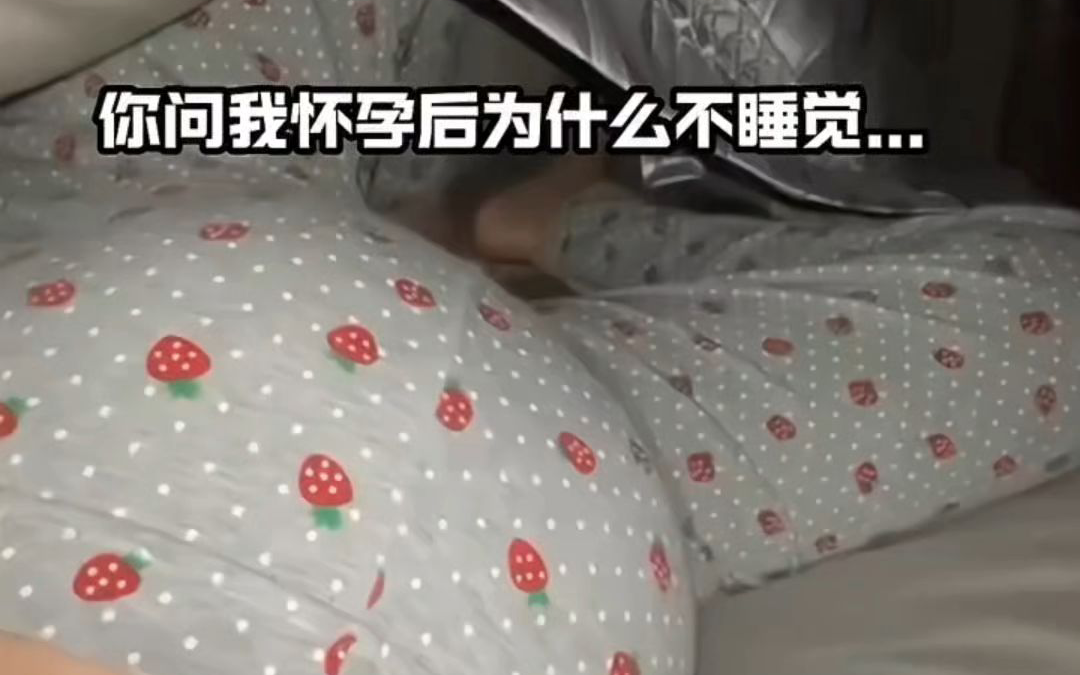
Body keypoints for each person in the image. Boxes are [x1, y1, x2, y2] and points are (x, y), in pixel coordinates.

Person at [2, 1, 1080, 674]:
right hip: (595, 452)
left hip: (113, 245)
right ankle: (539, 218)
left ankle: (454, 187)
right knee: (1055, 294)